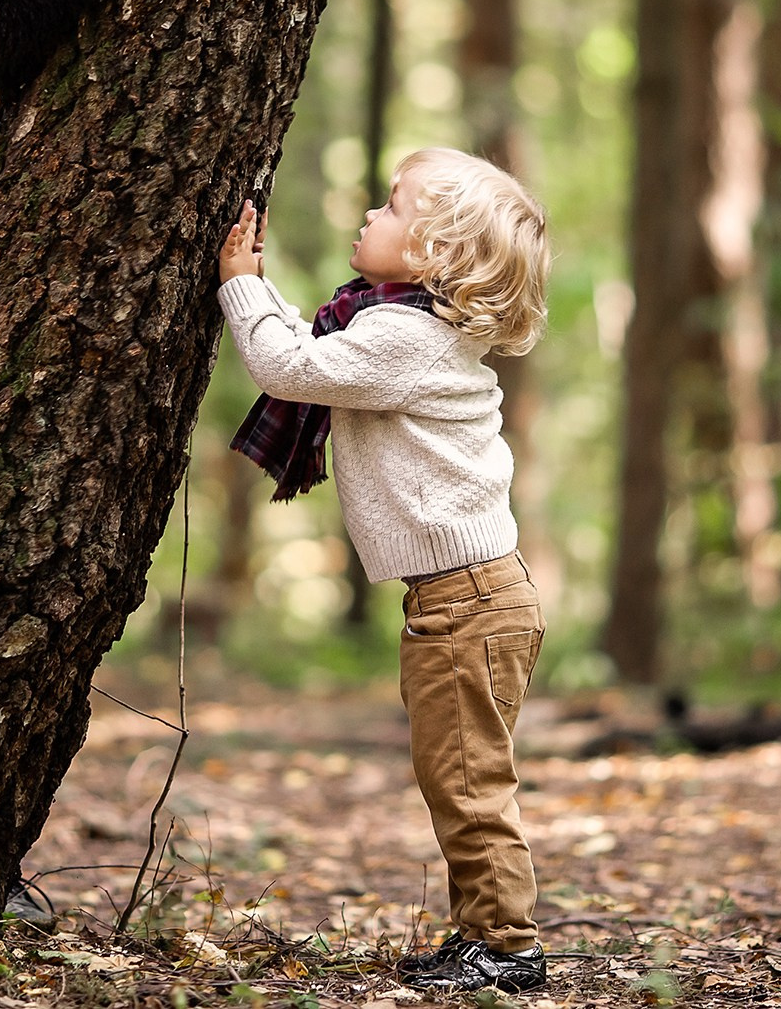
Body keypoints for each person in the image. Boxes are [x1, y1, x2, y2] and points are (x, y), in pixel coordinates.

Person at [216, 147, 552, 993]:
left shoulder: (406, 337)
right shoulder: (391, 330)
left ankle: (507, 946)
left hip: (467, 604)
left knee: (467, 782)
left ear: (435, 253)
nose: (372, 214)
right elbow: (314, 353)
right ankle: (479, 934)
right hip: (465, 599)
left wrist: (241, 287)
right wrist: (262, 291)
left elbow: (289, 366)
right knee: (457, 776)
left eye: (393, 206)